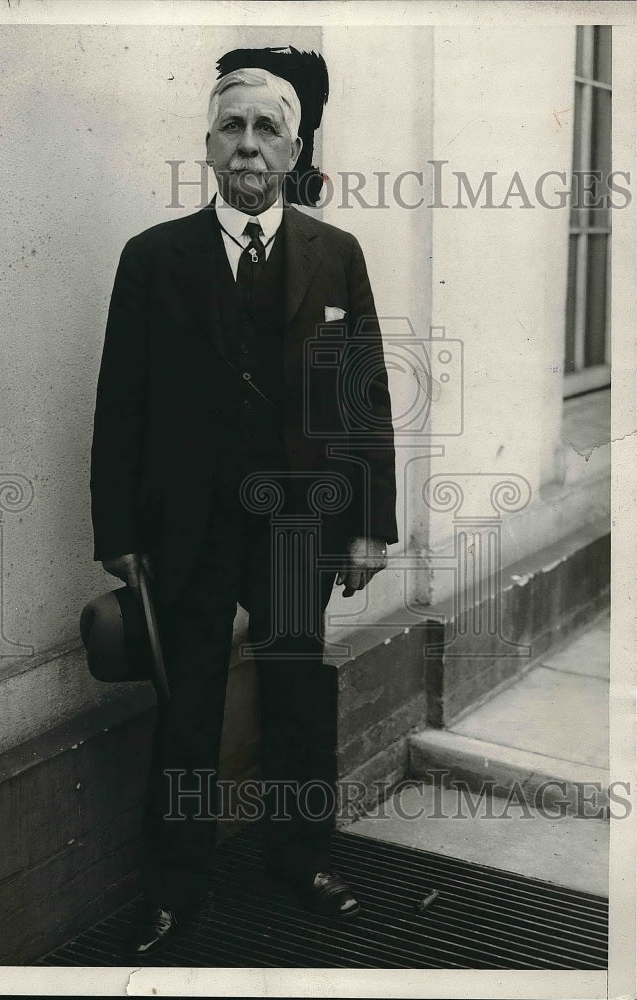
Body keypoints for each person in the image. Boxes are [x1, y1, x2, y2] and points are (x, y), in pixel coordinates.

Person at [90, 47, 397, 956]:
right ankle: (176, 889)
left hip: (299, 526)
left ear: (293, 148)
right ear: (209, 144)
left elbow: (363, 398)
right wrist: (118, 533)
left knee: (298, 695)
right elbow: (120, 403)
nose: (250, 147)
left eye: (269, 130)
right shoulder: (153, 258)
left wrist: (370, 527)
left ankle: (300, 860)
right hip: (187, 527)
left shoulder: (335, 255)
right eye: (234, 127)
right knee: (185, 708)